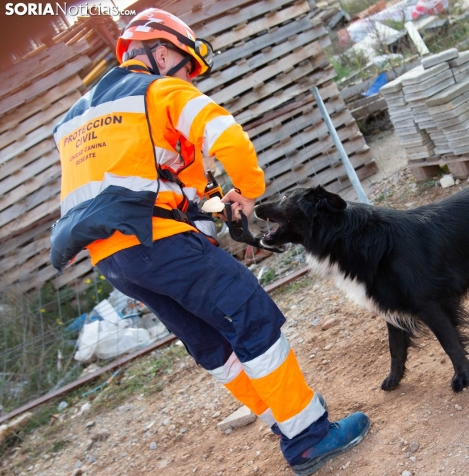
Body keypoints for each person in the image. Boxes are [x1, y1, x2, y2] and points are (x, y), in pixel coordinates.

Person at [50, 8, 369, 475]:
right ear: (161, 53)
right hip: (157, 241)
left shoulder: (79, 118)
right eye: (186, 69)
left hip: (114, 260)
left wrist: (216, 207)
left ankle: (284, 420)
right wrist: (247, 190)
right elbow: (227, 134)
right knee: (251, 315)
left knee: (209, 340)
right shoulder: (158, 90)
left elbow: (160, 185)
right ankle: (308, 438)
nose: (190, 81)